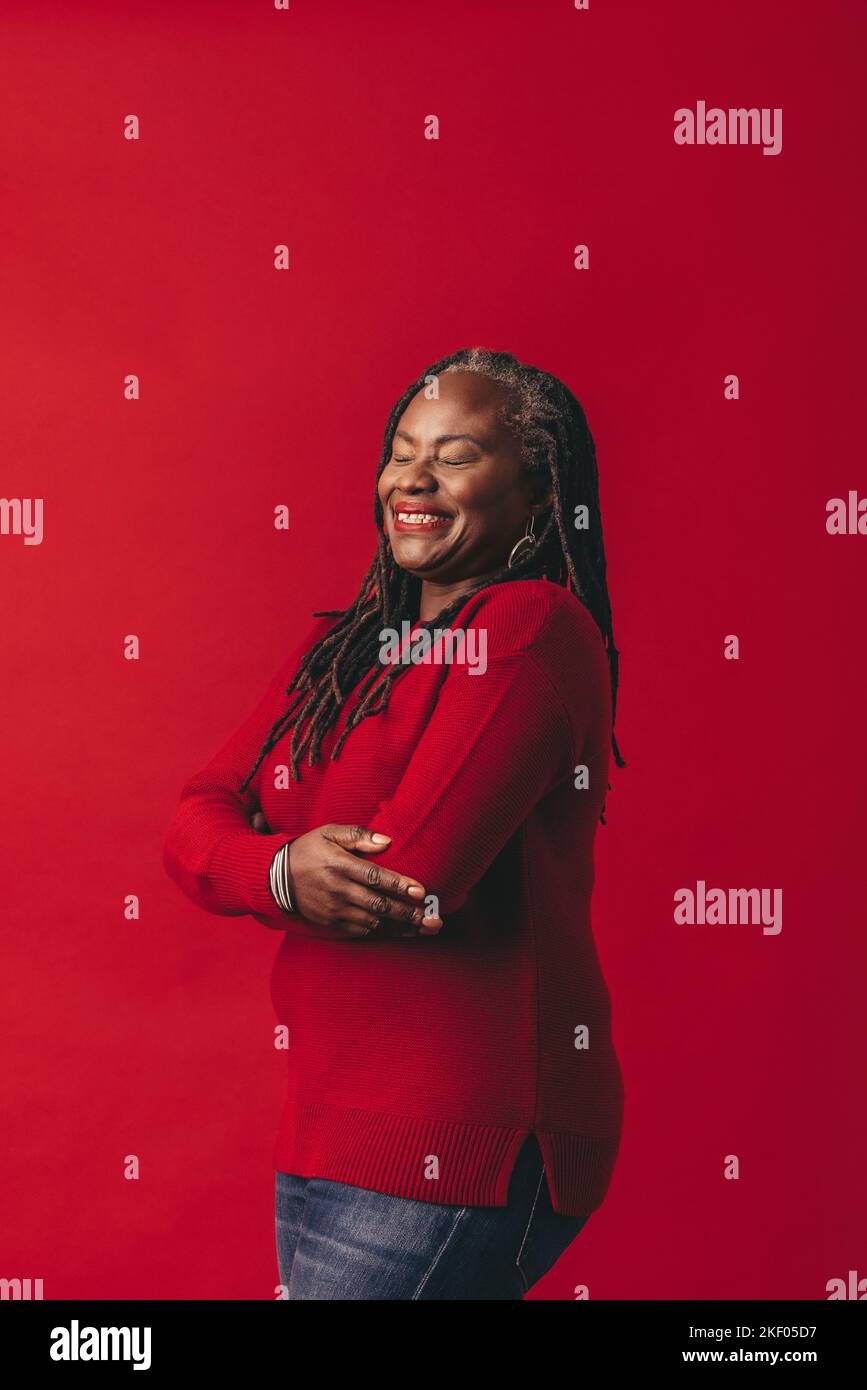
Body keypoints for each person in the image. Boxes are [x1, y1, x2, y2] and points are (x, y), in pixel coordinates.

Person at [163, 346, 626, 1300]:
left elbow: (408, 881)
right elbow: (193, 817)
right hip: (328, 1126)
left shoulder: (527, 628)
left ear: (539, 493)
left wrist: (253, 859)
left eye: (455, 456)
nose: (412, 478)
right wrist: (285, 869)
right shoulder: (344, 651)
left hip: (462, 1135)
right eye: (402, 450)